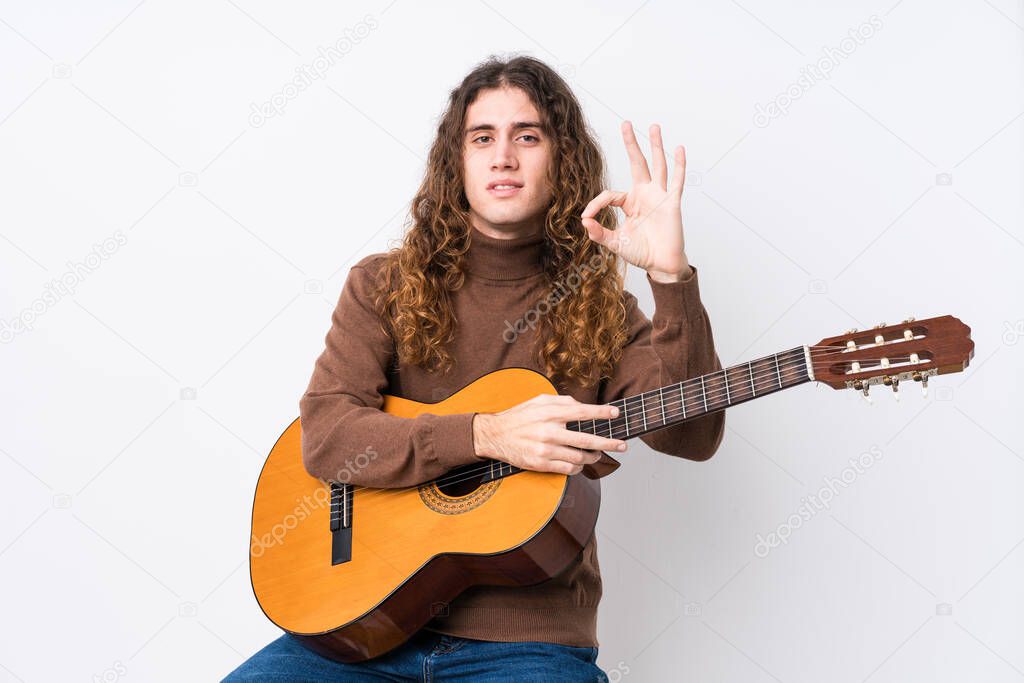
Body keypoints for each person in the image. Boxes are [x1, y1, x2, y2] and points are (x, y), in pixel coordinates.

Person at [224, 54, 724, 682]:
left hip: (529, 645)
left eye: (528, 136)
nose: (503, 156)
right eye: (482, 137)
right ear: (455, 162)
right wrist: (484, 435)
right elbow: (327, 435)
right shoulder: (383, 284)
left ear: (561, 159)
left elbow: (692, 434)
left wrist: (670, 277)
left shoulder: (603, 308)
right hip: (363, 628)